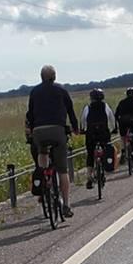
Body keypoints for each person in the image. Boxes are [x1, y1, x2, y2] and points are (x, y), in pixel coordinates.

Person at [25, 64, 79, 217]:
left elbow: (30, 114)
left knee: (42, 153)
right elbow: (70, 111)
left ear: (41, 77)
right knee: (62, 170)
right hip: (57, 130)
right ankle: (67, 205)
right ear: (54, 76)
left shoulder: (34, 91)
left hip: (39, 132)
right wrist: (75, 128)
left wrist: (33, 130)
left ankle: (43, 181)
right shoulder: (61, 90)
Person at [81, 88, 116, 187]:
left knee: (90, 154)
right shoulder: (106, 106)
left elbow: (83, 121)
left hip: (91, 134)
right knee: (106, 149)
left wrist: (83, 129)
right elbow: (112, 118)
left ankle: (89, 177)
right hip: (103, 133)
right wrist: (113, 129)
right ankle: (105, 166)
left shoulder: (87, 108)